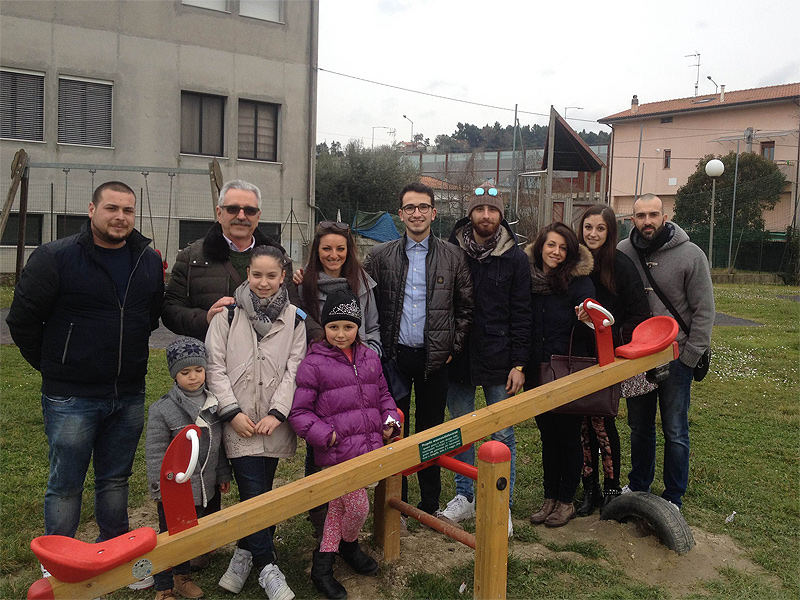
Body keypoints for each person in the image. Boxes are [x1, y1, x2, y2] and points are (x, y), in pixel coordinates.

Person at [6, 181, 163, 588]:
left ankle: (113, 552)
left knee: (115, 478)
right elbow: (22, 320)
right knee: (66, 482)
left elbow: (149, 315)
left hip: (127, 391)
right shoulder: (56, 257)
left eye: (128, 210)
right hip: (71, 396)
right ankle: (58, 563)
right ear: (91, 209)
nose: (120, 217)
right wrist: (55, 365)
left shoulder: (145, 259)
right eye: (112, 208)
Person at [363, 181, 474, 520]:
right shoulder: (380, 257)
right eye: (409, 207)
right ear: (400, 214)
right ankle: (396, 502)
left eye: (423, 207)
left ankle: (428, 503)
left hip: (434, 359)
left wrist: (452, 347)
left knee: (431, 432)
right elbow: (362, 300)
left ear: (433, 212)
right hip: (394, 359)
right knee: (394, 432)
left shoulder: (454, 256)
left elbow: (466, 308)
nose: (416, 213)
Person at [205, 245, 306, 600]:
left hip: (274, 423)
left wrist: (279, 412)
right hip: (240, 421)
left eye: (272, 276)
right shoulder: (227, 315)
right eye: (257, 275)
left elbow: (296, 369)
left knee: (262, 491)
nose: (264, 283)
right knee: (252, 492)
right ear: (247, 274)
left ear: (283, 277)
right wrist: (231, 412)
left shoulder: (295, 318)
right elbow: (213, 366)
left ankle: (244, 553)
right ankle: (267, 566)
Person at [289, 290, 401, 600]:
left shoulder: (369, 358)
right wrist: (328, 435)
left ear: (358, 328)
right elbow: (299, 413)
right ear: (324, 328)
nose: (341, 334)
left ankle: (333, 557)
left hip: (369, 451)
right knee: (356, 506)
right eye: (334, 327)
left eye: (348, 327)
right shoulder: (314, 364)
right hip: (337, 454)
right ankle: (337, 554)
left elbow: (384, 396)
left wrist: (391, 423)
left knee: (339, 509)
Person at [438, 184, 531, 537]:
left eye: (492, 210)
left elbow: (522, 314)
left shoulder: (515, 259)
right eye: (480, 210)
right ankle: (464, 496)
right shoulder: (450, 253)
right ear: (470, 214)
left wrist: (519, 364)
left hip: (500, 358)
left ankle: (499, 502)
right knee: (460, 429)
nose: (486, 216)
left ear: (501, 215)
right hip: (458, 356)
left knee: (502, 433)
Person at [618, 193, 715, 510]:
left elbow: (704, 311)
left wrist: (690, 356)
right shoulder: (622, 252)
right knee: (639, 427)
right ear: (632, 219)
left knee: (675, 430)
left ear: (665, 216)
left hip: (676, 357)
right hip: (637, 359)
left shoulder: (691, 255)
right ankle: (638, 485)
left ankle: (673, 496)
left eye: (653, 214)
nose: (648, 221)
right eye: (641, 215)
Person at [292, 221, 382, 540]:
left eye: (340, 249)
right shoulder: (304, 284)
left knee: (353, 443)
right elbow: (298, 323)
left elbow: (372, 328)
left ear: (349, 251)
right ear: (317, 251)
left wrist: (365, 358)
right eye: (327, 249)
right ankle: (320, 513)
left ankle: (347, 522)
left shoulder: (364, 284)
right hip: (320, 377)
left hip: (357, 374)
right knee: (320, 447)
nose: (334, 255)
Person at [574, 205, 650, 516]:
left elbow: (639, 315)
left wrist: (611, 331)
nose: (592, 234)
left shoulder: (621, 265)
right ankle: (588, 487)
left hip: (607, 356)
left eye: (599, 229)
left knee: (603, 422)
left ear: (610, 232)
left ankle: (611, 488)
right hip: (577, 356)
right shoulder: (574, 262)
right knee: (582, 424)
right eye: (588, 227)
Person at [146, 337, 232, 600]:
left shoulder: (214, 404)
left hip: (207, 484)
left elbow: (218, 446)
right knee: (171, 535)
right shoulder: (162, 410)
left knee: (200, 525)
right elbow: (155, 452)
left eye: (198, 370)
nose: (193, 377)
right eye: (185, 372)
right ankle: (168, 586)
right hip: (176, 488)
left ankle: (193, 562)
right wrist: (160, 487)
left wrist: (223, 473)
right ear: (174, 374)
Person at [162, 179, 299, 342]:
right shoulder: (191, 257)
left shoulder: (280, 259)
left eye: (249, 210)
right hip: (210, 361)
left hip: (264, 360)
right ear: (219, 213)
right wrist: (206, 318)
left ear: (258, 216)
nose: (241, 216)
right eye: (233, 209)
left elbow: (294, 313)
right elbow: (170, 311)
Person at [525, 222, 595, 528]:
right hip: (535, 370)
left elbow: (594, 325)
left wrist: (587, 317)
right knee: (547, 436)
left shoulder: (579, 283)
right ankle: (549, 497)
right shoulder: (528, 280)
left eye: (563, 247)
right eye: (551, 245)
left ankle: (567, 501)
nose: (556, 252)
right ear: (541, 246)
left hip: (567, 371)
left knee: (568, 437)